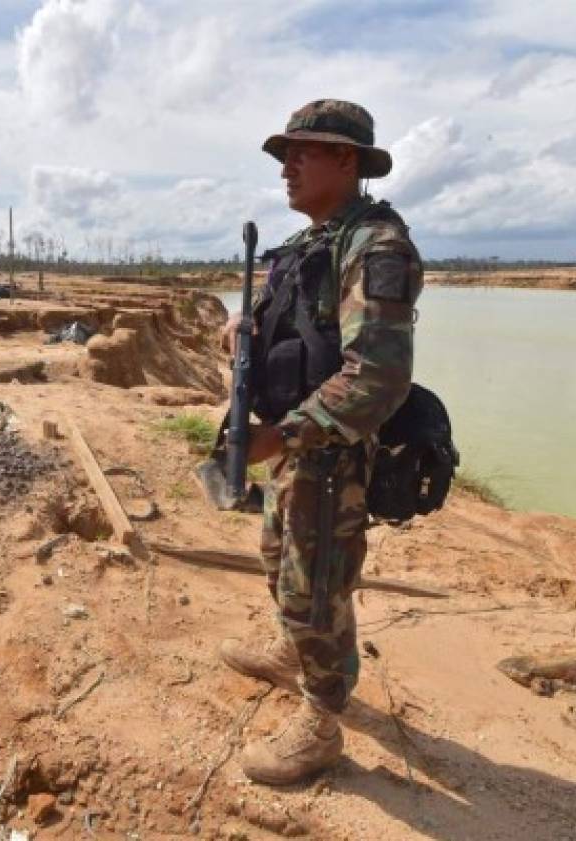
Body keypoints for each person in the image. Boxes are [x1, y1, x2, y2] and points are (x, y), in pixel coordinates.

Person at [218, 100, 424, 785]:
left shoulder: (377, 246)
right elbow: (299, 329)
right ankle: (294, 652)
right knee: (281, 558)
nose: (288, 168)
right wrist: (242, 329)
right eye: (285, 155)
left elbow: (378, 374)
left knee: (317, 584)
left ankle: (320, 719)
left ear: (348, 161)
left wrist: (278, 436)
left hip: (331, 451)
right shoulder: (316, 243)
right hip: (296, 446)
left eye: (303, 152)